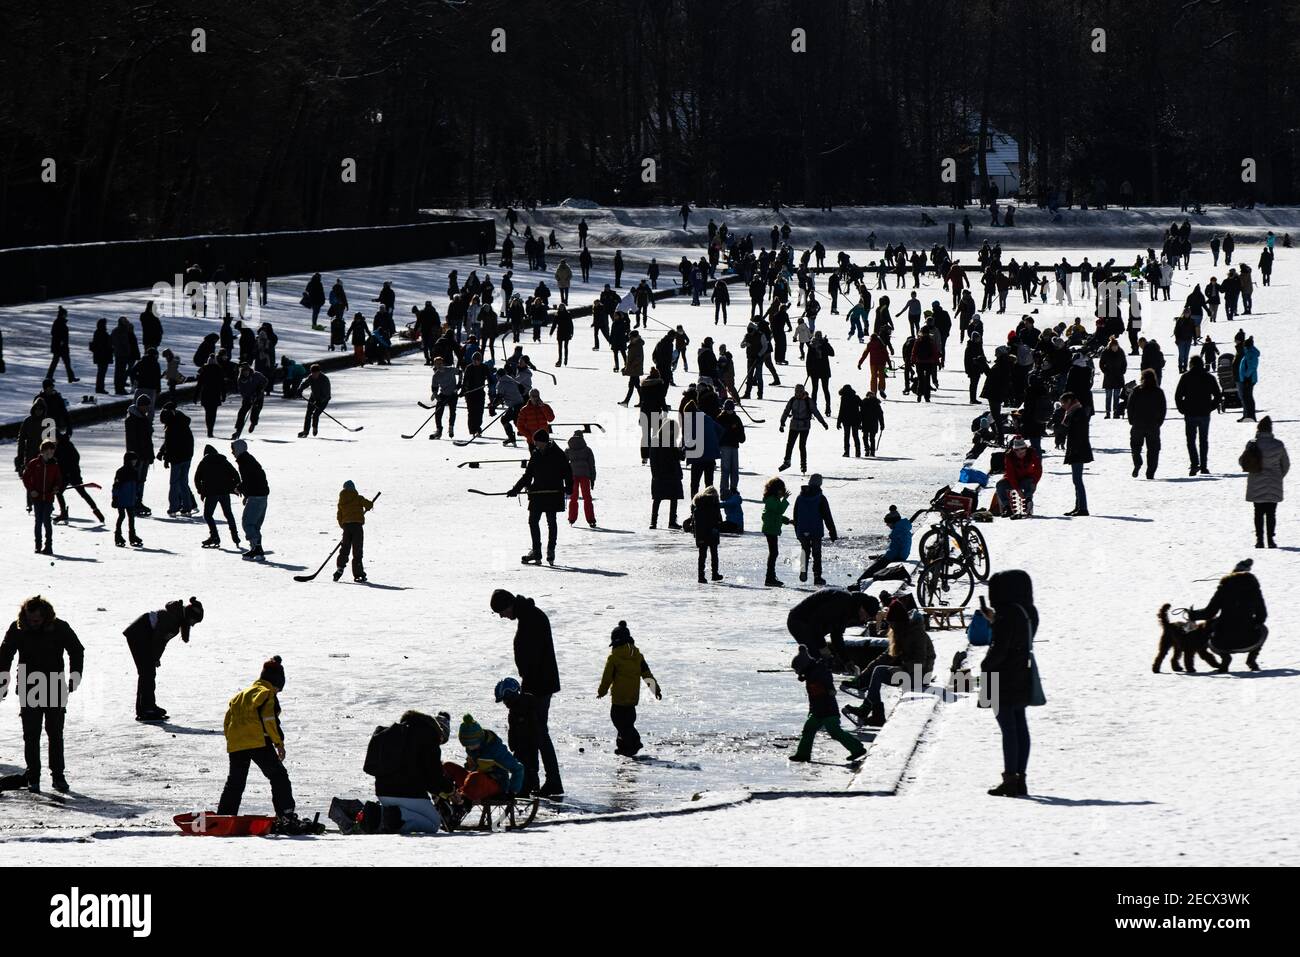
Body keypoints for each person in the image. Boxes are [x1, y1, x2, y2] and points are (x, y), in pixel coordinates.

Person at [0, 596, 84, 793]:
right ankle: (33, 776)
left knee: (55, 733)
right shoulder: (18, 628)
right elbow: (5, 655)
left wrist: (75, 676)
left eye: (36, 620)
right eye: (30, 619)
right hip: (29, 686)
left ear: (45, 616)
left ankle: (58, 776)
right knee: (31, 734)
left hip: (54, 684)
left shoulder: (59, 627)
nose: (33, 623)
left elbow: (76, 650)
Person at [489, 589, 563, 797]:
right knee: (537, 733)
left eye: (502, 612)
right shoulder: (530, 616)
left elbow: (533, 659)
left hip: (538, 687)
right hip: (538, 684)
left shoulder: (531, 619)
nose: (503, 617)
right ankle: (538, 780)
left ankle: (552, 781)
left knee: (540, 734)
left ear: (509, 605)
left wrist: (528, 690)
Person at [979, 569, 1040, 797]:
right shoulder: (1028, 611)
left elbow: (1000, 647)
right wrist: (993, 619)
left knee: (1008, 729)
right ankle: (1020, 779)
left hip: (1002, 677)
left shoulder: (1006, 614)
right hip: (1022, 674)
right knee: (1020, 725)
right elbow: (1017, 637)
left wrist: (985, 666)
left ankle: (1009, 779)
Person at [218, 656, 299, 825]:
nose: (278, 693)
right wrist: (279, 744)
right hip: (257, 742)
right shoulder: (267, 693)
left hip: (236, 743)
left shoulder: (240, 695)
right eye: (279, 689)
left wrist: (233, 741)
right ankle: (286, 814)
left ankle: (223, 817)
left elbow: (227, 721)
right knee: (279, 776)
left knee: (235, 782)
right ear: (277, 683)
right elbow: (269, 719)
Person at [842, 600, 935, 727]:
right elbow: (885, 657)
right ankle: (868, 699)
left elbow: (920, 660)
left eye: (892, 623)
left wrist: (902, 668)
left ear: (899, 621)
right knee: (878, 669)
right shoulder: (900, 632)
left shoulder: (916, 633)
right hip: (910, 671)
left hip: (921, 674)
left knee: (879, 671)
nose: (890, 626)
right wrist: (863, 675)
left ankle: (873, 712)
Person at [364, 710, 454, 834]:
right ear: (440, 732)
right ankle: (385, 815)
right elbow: (433, 777)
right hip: (410, 794)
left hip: (383, 793)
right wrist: (450, 790)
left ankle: (383, 817)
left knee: (412, 817)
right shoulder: (429, 736)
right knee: (434, 823)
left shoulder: (395, 733)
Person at [123, 598, 203, 721]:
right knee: (147, 672)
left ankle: (145, 707)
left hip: (140, 634)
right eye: (193, 621)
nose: (192, 625)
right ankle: (147, 709)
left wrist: (155, 658)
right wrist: (154, 658)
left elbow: (160, 641)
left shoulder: (175, 617)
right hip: (138, 634)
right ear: (189, 616)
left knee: (147, 672)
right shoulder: (172, 620)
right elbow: (158, 640)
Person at [788, 645, 865, 763]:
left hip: (829, 710)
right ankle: (803, 754)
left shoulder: (819, 671)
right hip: (817, 711)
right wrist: (811, 709)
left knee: (835, 732)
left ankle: (857, 749)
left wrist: (830, 689)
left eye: (797, 670)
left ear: (803, 666)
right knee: (808, 729)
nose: (797, 673)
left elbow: (827, 679)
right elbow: (812, 697)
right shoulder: (811, 673)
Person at [1188, 559, 1267, 671]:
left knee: (1210, 626)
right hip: (1249, 641)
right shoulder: (1254, 590)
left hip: (1221, 642)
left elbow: (1209, 613)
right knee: (1263, 629)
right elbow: (1262, 617)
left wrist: (1193, 615)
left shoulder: (1224, 588)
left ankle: (1225, 659)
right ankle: (1252, 660)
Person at [597, 620, 661, 757]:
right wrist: (655, 690)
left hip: (619, 700)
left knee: (619, 721)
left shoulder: (613, 658)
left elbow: (607, 678)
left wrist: (601, 692)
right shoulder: (638, 657)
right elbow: (647, 675)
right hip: (632, 700)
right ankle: (623, 748)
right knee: (627, 724)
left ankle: (635, 742)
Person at [509, 429, 571, 565]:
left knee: (551, 522)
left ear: (544, 441)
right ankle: (537, 551)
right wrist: (515, 489)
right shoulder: (536, 454)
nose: (535, 444)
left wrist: (569, 487)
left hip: (553, 493)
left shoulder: (558, 454)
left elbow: (568, 472)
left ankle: (551, 551)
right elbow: (528, 475)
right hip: (537, 493)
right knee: (533, 521)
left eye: (537, 442)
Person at [444, 715, 525, 804]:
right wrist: (469, 765)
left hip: (496, 785)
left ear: (480, 739)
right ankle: (447, 797)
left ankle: (462, 802)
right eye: (466, 745)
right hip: (474, 783)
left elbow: (518, 768)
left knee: (475, 777)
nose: (470, 748)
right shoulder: (473, 749)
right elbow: (473, 767)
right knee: (447, 766)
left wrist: (511, 792)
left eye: (472, 744)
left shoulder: (496, 750)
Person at [1240, 417, 1289, 549]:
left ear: (1259, 429)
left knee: (1258, 512)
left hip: (1256, 481)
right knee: (1271, 513)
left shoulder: (1252, 444)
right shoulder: (1278, 445)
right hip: (1274, 482)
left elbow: (1242, 461)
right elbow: (1286, 464)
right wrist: (1278, 476)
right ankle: (1271, 540)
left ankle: (1259, 540)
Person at [1173, 355, 1221, 476]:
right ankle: (1204, 466)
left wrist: (1182, 409)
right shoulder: (1209, 377)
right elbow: (1218, 396)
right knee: (1203, 440)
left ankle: (1194, 464)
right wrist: (1211, 407)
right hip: (1205, 413)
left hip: (1190, 413)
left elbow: (1178, 395)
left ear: (1191, 364)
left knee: (1191, 440)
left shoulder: (1186, 377)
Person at [793, 474, 838, 585]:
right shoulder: (820, 498)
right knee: (816, 554)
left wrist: (797, 531)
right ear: (820, 484)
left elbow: (796, 515)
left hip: (802, 530)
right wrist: (832, 532)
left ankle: (803, 571)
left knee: (805, 551)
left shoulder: (800, 497)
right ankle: (817, 577)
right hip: (815, 530)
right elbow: (827, 516)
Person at [194, 444, 241, 548]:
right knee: (228, 513)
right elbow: (235, 474)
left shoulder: (204, 462)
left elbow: (197, 478)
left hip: (211, 493)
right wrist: (236, 486)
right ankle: (235, 536)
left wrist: (200, 491)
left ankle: (214, 536)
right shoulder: (223, 460)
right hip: (224, 492)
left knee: (208, 515)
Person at [22, 439, 62, 555]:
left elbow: (58, 480)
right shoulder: (34, 463)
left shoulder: (54, 465)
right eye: (48, 451)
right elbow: (26, 477)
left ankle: (48, 546)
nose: (50, 453)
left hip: (48, 498)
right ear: (43, 451)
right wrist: (31, 490)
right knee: (38, 521)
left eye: (52, 451)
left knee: (46, 520)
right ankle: (38, 545)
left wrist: (56, 487)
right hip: (37, 497)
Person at [158, 402, 198, 516]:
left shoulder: (172, 427)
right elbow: (169, 443)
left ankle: (174, 507)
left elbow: (170, 444)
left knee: (174, 483)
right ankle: (187, 507)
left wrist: (166, 458)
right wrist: (162, 452)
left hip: (177, 458)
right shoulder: (182, 421)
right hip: (187, 456)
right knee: (183, 482)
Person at [779, 383, 828, 474]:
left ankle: (803, 465)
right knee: (790, 444)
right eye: (796, 391)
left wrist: (823, 422)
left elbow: (816, 412)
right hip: (794, 425)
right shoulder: (793, 400)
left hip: (804, 426)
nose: (797, 393)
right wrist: (782, 422)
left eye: (799, 391)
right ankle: (787, 462)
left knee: (802, 446)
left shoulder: (808, 401)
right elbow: (786, 411)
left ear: (803, 391)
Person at [231, 440, 268, 560]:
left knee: (248, 523)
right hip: (261, 495)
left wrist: (239, 488)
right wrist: (247, 495)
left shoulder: (245, 461)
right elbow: (255, 479)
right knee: (255, 525)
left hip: (257, 496)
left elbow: (249, 480)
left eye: (233, 449)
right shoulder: (248, 460)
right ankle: (256, 549)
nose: (232, 452)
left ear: (238, 449)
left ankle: (256, 548)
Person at [856, 505, 913, 583]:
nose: (887, 525)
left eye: (888, 523)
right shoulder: (902, 527)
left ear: (893, 522)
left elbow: (894, 551)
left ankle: (859, 582)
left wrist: (885, 557)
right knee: (877, 564)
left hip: (897, 557)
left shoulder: (897, 531)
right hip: (901, 555)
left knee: (872, 570)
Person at [1060, 392, 1093, 516]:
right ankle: (1078, 506)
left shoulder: (1077, 412)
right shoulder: (1075, 412)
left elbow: (1077, 433)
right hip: (1077, 449)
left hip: (1078, 450)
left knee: (1077, 480)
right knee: (1076, 480)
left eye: (1063, 403)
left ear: (1069, 401)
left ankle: (1083, 508)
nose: (1063, 406)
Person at [995, 437, 1041, 515]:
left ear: (1026, 449)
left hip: (1026, 477)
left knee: (1030, 483)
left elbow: (1038, 468)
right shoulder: (1009, 456)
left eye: (1022, 451)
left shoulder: (1031, 452)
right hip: (1013, 479)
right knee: (1000, 485)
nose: (1020, 453)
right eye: (1017, 451)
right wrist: (1018, 489)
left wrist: (1035, 482)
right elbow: (1010, 474)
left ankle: (1028, 501)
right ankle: (1007, 507)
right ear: (1014, 451)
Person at [691, 485, 724, 583]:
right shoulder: (714, 504)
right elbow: (719, 520)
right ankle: (715, 574)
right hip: (712, 532)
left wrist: (695, 534)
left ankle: (701, 576)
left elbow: (694, 523)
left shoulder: (697, 506)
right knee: (714, 554)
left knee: (702, 555)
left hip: (701, 533)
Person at [110, 451, 143, 548]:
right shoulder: (121, 472)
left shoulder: (134, 472)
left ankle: (132, 536)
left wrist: (137, 495)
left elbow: (136, 485)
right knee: (122, 516)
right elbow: (116, 486)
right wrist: (115, 498)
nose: (134, 462)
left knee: (131, 518)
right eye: (133, 460)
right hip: (122, 498)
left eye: (135, 461)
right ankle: (118, 535)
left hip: (131, 499)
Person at [565, 431, 596, 527]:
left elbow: (564, 465)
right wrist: (593, 479)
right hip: (585, 475)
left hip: (573, 474)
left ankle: (572, 518)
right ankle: (591, 519)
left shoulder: (568, 449)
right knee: (587, 498)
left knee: (573, 498)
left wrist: (565, 478)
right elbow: (592, 465)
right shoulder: (587, 450)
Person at [231, 363, 267, 439]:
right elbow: (242, 391)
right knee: (241, 413)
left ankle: (253, 423)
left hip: (258, 398)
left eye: (247, 370)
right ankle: (238, 430)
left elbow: (265, 381)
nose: (245, 372)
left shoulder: (257, 375)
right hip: (247, 398)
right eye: (244, 371)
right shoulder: (240, 379)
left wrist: (259, 390)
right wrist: (248, 397)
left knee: (255, 412)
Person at [46, 306, 78, 383]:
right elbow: (54, 333)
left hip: (60, 347)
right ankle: (50, 376)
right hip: (60, 347)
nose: (66, 315)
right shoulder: (59, 322)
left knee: (64, 362)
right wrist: (60, 341)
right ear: (63, 314)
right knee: (61, 362)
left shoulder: (59, 322)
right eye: (66, 314)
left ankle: (70, 377)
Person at [299, 364, 331, 437]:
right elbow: (305, 384)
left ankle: (315, 428)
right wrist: (300, 389)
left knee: (316, 414)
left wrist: (320, 401)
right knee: (308, 413)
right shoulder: (311, 377)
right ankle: (305, 431)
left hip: (324, 400)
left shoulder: (324, 379)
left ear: (319, 372)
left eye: (315, 373)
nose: (314, 375)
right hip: (314, 397)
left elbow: (326, 394)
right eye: (312, 373)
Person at [1237, 336, 1260, 422]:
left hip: (1249, 379)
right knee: (1246, 397)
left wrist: (1246, 376)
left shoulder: (1251, 353)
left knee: (1248, 397)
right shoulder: (1249, 352)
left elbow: (1252, 367)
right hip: (1247, 379)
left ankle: (1250, 416)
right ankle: (1247, 415)